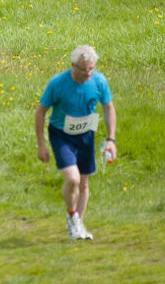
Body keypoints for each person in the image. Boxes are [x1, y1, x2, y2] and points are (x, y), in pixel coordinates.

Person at [34, 45, 117, 241]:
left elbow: (108, 107)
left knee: (84, 182)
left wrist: (111, 139)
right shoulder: (58, 83)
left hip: (86, 134)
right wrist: (41, 145)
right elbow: (40, 111)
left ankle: (78, 224)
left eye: (91, 68)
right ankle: (72, 217)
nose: (88, 73)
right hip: (61, 135)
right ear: (73, 65)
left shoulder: (99, 81)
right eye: (83, 69)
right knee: (73, 179)